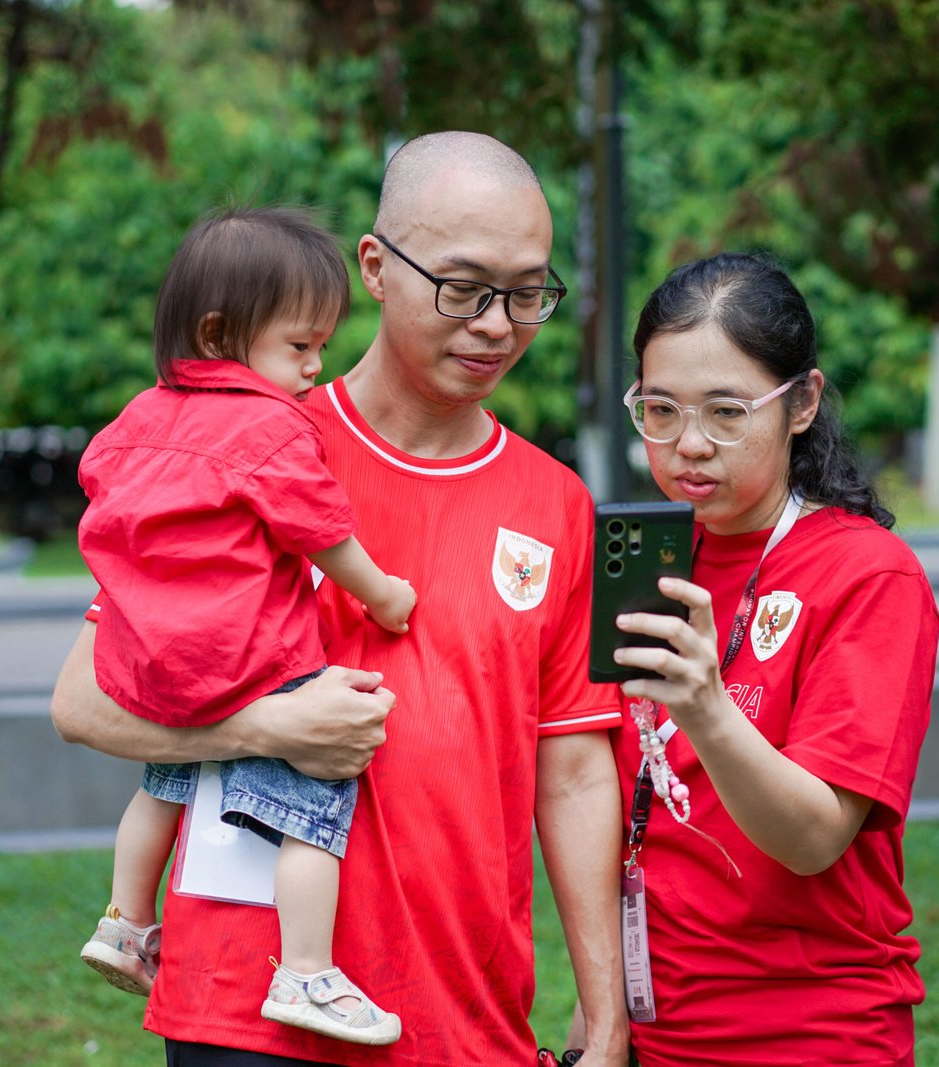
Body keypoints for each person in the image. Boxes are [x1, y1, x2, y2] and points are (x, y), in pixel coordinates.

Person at [51, 132, 629, 1066]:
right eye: (463, 287)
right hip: (245, 1010)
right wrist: (266, 728)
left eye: (527, 293)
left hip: (465, 1013)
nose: (497, 324)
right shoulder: (239, 447)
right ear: (375, 267)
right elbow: (83, 702)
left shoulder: (556, 502)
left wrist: (606, 1015)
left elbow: (573, 772)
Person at [72, 207, 416, 1046]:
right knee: (313, 802)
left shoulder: (140, 416)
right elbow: (322, 534)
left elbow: (102, 492)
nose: (315, 367)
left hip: (154, 665)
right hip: (247, 662)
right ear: (219, 334)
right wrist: (384, 596)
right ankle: (305, 971)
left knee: (161, 787)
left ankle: (123, 921)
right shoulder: (269, 425)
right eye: (299, 346)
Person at [601, 252, 939, 1066]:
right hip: (657, 1034)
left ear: (802, 403)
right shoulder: (644, 565)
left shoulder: (867, 574)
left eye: (726, 412)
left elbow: (814, 838)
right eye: (660, 409)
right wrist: (599, 1015)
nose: (689, 445)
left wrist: (706, 707)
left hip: (813, 1036)